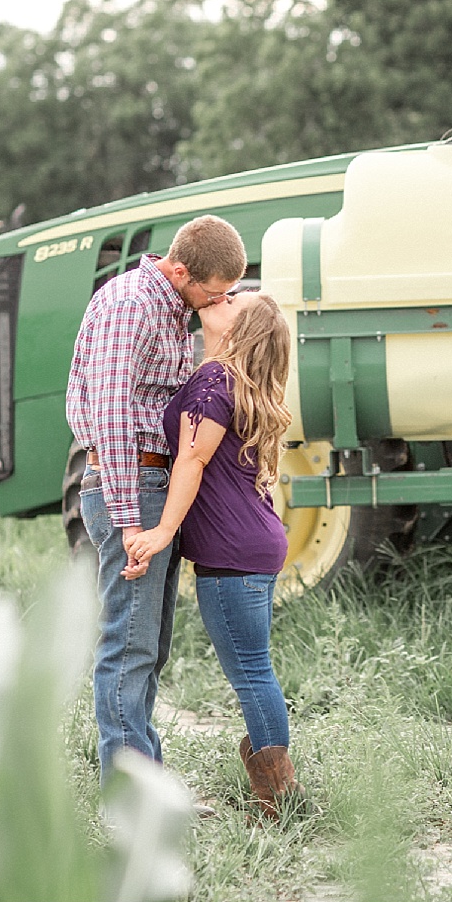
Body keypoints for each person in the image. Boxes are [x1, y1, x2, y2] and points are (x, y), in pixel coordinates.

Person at [65, 214, 246, 790]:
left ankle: (147, 781)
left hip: (153, 485)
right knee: (129, 645)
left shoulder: (172, 308)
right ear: (180, 269)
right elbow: (114, 418)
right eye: (212, 292)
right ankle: (129, 794)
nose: (215, 304)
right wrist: (127, 524)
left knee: (151, 644)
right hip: (131, 489)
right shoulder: (131, 306)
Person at [122, 290, 301, 820]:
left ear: (240, 330)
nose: (218, 300)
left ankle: (279, 800)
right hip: (256, 543)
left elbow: (192, 461)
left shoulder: (214, 381)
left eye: (231, 302)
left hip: (233, 551)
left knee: (251, 672)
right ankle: (276, 788)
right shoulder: (233, 383)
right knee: (256, 669)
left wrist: (160, 531)